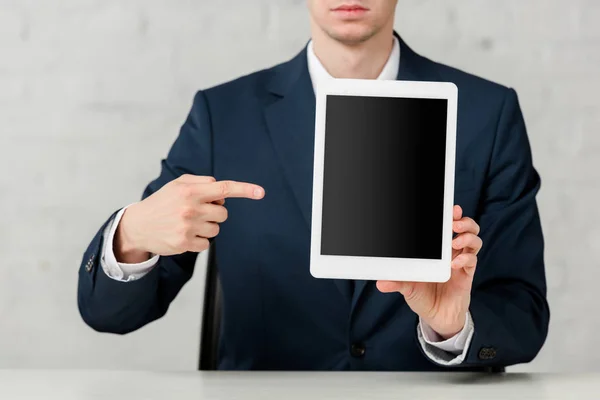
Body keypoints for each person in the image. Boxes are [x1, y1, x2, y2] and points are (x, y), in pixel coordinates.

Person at [77, 0, 549, 371]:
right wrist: (132, 234)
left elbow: (523, 315)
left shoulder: (487, 113)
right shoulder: (224, 116)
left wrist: (453, 329)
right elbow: (111, 314)